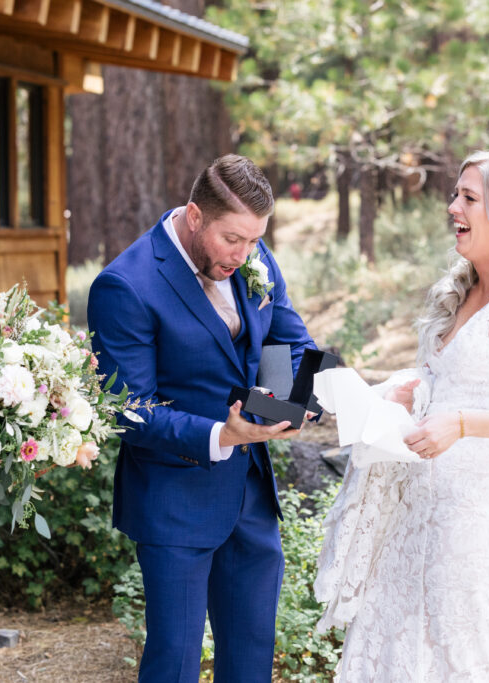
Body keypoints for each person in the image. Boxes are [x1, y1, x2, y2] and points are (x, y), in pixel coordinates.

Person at [314, 144, 489, 682]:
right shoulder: (467, 289)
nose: (453, 207)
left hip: (473, 517)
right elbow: (457, 381)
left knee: (457, 654)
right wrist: (408, 393)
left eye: (468, 198)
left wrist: (461, 424)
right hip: (414, 511)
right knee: (396, 646)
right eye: (456, 195)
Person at [88, 154, 317, 682]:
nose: (245, 253)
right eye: (232, 239)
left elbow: (291, 341)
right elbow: (130, 411)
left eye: (255, 240)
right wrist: (222, 433)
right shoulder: (125, 285)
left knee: (252, 657)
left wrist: (285, 405)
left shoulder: (254, 256)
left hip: (251, 495)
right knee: (174, 662)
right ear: (195, 216)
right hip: (174, 502)